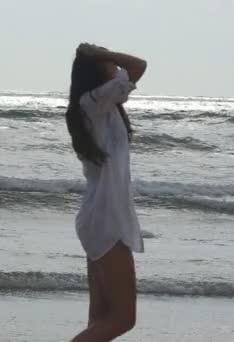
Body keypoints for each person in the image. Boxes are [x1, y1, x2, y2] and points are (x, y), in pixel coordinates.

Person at [65, 43, 147, 341]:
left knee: (102, 317)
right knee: (123, 318)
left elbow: (133, 70)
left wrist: (100, 57)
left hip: (102, 217)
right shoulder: (93, 101)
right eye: (107, 65)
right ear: (96, 70)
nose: (114, 69)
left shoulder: (100, 104)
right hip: (105, 219)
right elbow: (139, 65)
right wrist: (102, 53)